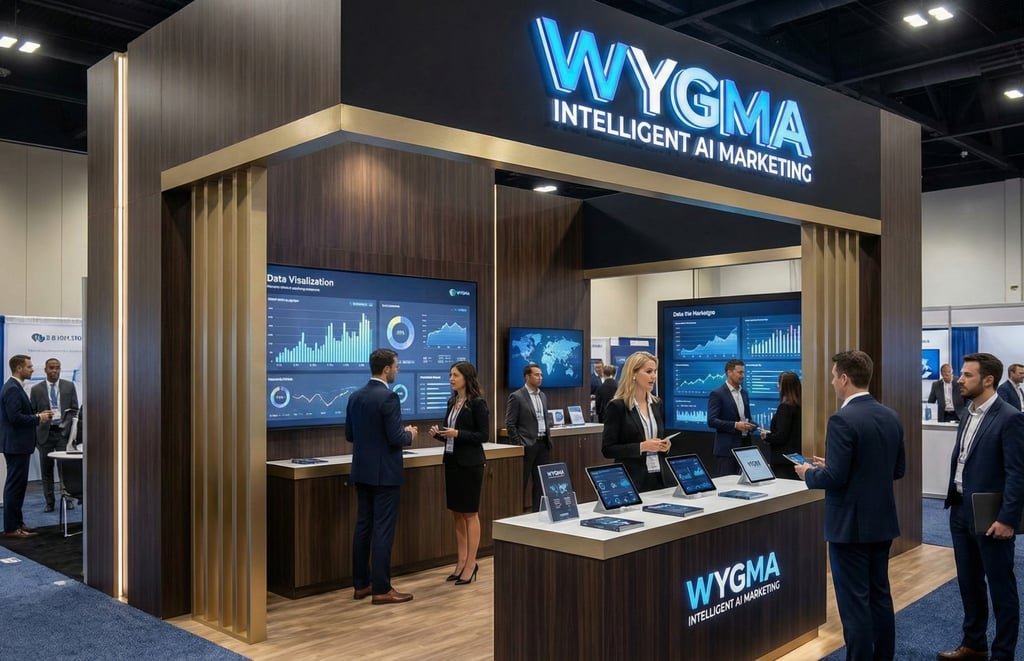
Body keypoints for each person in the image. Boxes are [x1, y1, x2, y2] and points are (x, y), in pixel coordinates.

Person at [795, 350, 905, 661]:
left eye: (833, 377)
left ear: (844, 379)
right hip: (882, 522)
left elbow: (834, 478)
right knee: (880, 597)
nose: (832, 382)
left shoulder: (842, 419)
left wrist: (808, 473)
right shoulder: (890, 415)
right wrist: (835, 466)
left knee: (854, 606)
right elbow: (896, 469)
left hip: (849, 527)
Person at [937, 352, 1024, 661]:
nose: (960, 379)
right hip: (960, 509)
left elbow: (1018, 473)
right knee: (969, 582)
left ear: (988, 380)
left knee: (1001, 588)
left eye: (967, 375)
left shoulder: (1010, 417)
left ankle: (1002, 654)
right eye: (961, 374)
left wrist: (1008, 519)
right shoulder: (968, 412)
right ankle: (974, 644)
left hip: (992, 516)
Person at [346, 348, 417, 605]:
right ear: (386, 369)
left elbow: (350, 435)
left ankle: (361, 585)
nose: (398, 370)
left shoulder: (355, 396)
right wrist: (410, 434)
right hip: (385, 474)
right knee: (383, 530)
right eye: (396, 366)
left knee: (363, 526)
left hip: (362, 471)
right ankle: (382, 589)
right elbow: (396, 438)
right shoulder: (389, 397)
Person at [430, 361, 488, 586]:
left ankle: (471, 563)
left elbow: (482, 435)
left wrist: (458, 434)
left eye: (455, 375)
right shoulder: (452, 402)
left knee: (470, 514)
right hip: (452, 462)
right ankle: (461, 561)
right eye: (450, 375)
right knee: (456, 513)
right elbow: (451, 435)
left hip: (471, 465)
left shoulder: (478, 404)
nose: (451, 379)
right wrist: (440, 434)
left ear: (466, 377)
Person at [601, 351, 673, 492]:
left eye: (655, 371)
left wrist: (665, 446)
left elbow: (659, 437)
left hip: (658, 477)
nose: (654, 376)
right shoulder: (617, 406)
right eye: (648, 371)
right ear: (633, 374)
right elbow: (608, 450)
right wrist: (642, 447)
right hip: (631, 479)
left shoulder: (656, 403)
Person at [1, 354, 53, 539]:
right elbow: (15, 418)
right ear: (18, 368)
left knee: (18, 487)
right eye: (29, 367)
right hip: (16, 446)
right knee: (14, 487)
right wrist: (39, 417)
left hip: (18, 445)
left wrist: (37, 416)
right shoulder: (12, 389)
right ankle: (11, 528)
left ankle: (17, 523)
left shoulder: (14, 387)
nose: (32, 369)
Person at [30, 358, 79, 512]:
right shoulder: (36, 389)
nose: (54, 370)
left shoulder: (69, 386)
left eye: (57, 367)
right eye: (51, 368)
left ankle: (67, 498)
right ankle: (49, 502)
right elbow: (32, 414)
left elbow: (75, 410)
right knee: (46, 470)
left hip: (62, 434)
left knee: (64, 469)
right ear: (45, 369)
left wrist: (70, 429)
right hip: (45, 434)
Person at [506, 363, 550, 512]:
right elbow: (510, 423)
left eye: (541, 375)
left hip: (543, 443)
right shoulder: (517, 396)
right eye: (537, 375)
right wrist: (519, 444)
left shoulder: (542, 395)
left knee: (540, 483)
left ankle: (537, 513)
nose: (540, 378)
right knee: (522, 482)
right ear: (527, 376)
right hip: (527, 445)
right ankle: (517, 513)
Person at [707, 358, 756, 476]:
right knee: (727, 483)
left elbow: (746, 417)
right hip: (727, 450)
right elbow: (712, 421)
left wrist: (753, 426)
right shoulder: (717, 394)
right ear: (729, 372)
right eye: (740, 372)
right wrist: (735, 425)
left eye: (743, 372)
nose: (743, 376)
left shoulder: (744, 393)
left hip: (745, 447)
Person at [764, 371, 802, 480]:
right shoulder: (800, 406)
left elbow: (781, 436)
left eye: (779, 383)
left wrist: (766, 436)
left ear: (784, 386)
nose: (777, 386)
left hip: (783, 462)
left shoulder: (785, 407)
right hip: (795, 459)